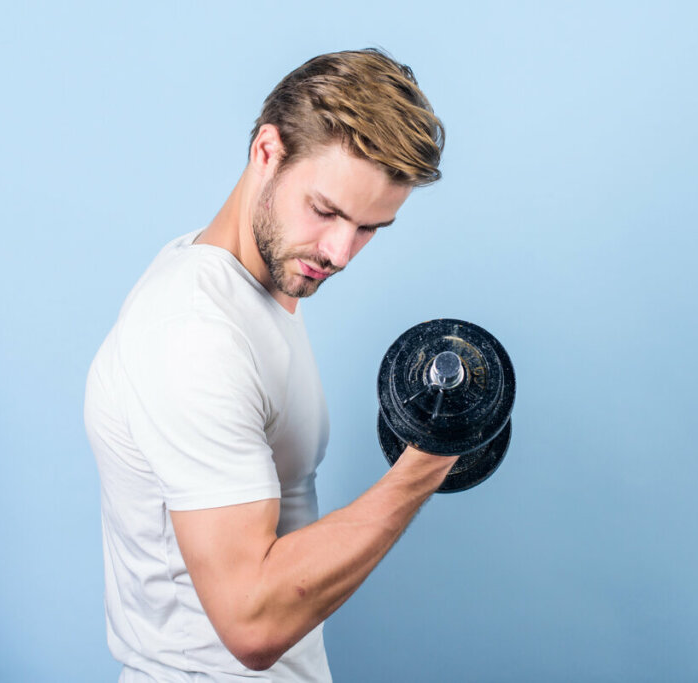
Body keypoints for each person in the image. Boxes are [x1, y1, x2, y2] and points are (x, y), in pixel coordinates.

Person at [84, 48, 454, 682]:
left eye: (370, 228)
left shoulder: (262, 277)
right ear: (266, 152)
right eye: (328, 211)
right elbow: (251, 623)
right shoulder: (193, 333)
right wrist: (424, 466)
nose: (340, 251)